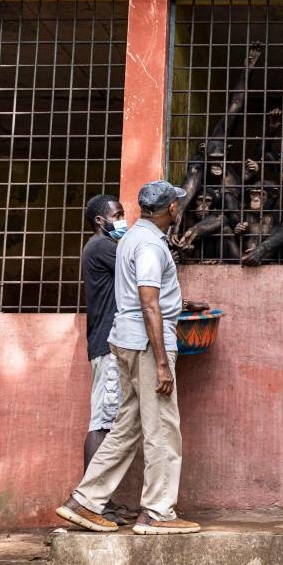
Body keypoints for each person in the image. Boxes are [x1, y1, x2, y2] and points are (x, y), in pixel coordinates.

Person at [58, 181, 209, 534]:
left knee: (126, 425)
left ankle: (85, 500)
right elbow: (149, 302)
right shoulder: (150, 247)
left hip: (123, 340)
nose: (178, 208)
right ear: (171, 209)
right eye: (177, 204)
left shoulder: (129, 239)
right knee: (162, 428)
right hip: (145, 344)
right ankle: (157, 512)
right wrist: (161, 361)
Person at [79, 194, 137, 525]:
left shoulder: (100, 247)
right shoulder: (102, 247)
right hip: (107, 345)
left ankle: (104, 502)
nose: (122, 219)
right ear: (101, 221)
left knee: (108, 421)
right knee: (102, 424)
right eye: (117, 215)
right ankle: (91, 503)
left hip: (107, 343)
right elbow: (136, 268)